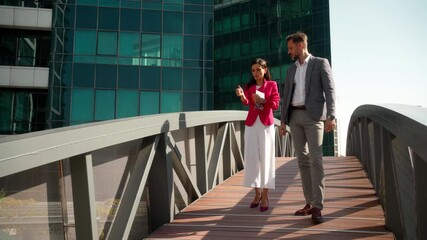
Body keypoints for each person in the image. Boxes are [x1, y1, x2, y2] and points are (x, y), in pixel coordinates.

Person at [279, 32, 336, 224]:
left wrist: (332, 116)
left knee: (315, 159)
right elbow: (286, 95)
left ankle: (318, 206)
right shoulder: (291, 69)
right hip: (294, 117)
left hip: (314, 117)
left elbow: (330, 89)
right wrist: (283, 121)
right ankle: (309, 203)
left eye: (291, 48)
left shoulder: (320, 63)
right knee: (302, 161)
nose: (289, 52)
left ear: (301, 45)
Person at [235, 58, 280, 212]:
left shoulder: (272, 85)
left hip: (266, 124)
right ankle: (257, 193)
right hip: (251, 125)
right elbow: (246, 102)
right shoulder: (249, 86)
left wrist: (263, 100)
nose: (255, 73)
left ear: (265, 70)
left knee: (266, 158)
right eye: (253, 70)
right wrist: (242, 95)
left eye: (258, 69)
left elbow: (275, 104)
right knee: (252, 158)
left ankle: (266, 195)